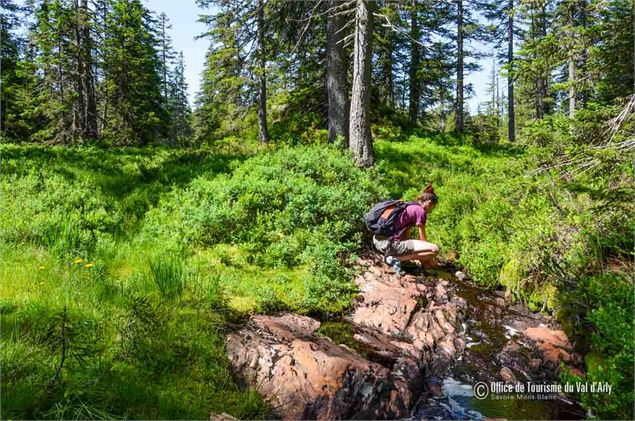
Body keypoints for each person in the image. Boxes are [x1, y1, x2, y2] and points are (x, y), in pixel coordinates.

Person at [373, 184, 439, 274]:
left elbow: (406, 237)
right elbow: (423, 241)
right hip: (389, 244)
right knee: (434, 249)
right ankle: (396, 259)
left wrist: (425, 263)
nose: (431, 211)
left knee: (426, 253)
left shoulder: (408, 206)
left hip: (379, 241)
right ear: (429, 203)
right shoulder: (420, 211)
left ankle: (402, 259)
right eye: (433, 207)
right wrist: (430, 260)